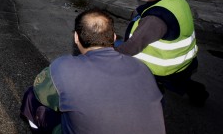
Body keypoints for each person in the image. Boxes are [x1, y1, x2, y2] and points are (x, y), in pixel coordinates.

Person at [20, 9, 165, 134]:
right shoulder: (142, 68)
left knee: (31, 97)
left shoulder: (64, 67)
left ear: (76, 37)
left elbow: (41, 93)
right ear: (114, 38)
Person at [115, 0, 209, 106]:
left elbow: (131, 47)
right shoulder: (177, 0)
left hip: (163, 67)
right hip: (184, 61)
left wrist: (109, 55)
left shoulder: (155, 18)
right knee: (180, 81)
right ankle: (198, 93)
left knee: (117, 51)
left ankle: (151, 98)